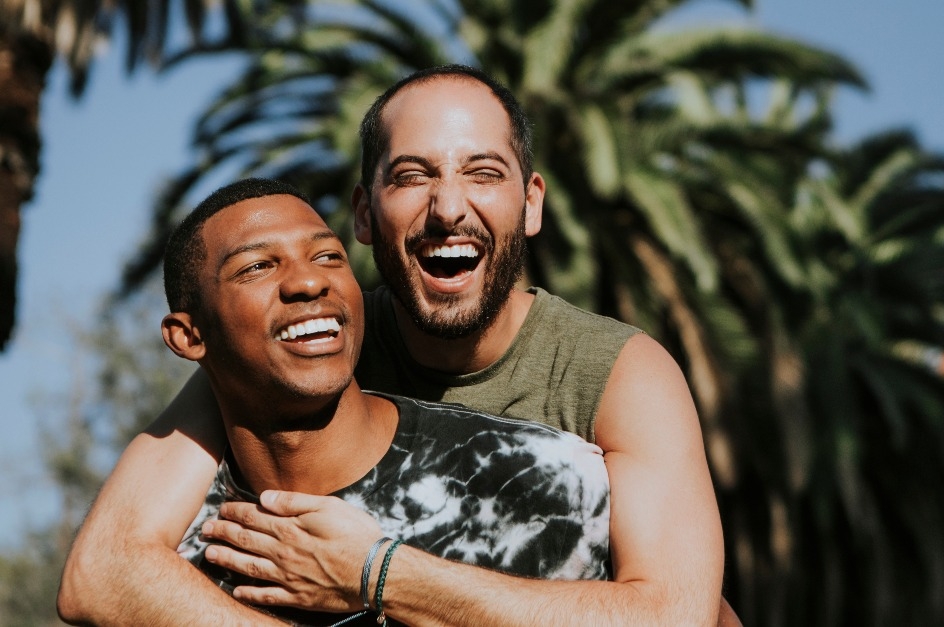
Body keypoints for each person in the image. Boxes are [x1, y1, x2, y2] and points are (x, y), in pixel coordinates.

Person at [58, 65, 726, 625]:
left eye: (483, 173)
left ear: (531, 203)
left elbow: (676, 613)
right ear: (365, 214)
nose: (448, 208)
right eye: (412, 176)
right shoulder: (311, 345)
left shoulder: (615, 373)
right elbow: (104, 568)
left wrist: (378, 571)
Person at [160, 178, 612, 625]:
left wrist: (379, 574)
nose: (308, 280)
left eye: (328, 257)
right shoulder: (171, 560)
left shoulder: (535, 481)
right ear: (188, 336)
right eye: (257, 266)